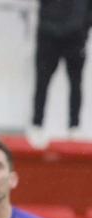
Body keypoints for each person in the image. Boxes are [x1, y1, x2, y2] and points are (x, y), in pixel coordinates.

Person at [28, 0, 92, 144]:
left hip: (75, 35)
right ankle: (37, 124)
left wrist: (84, 29)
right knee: (42, 81)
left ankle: (74, 126)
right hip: (48, 33)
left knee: (76, 82)